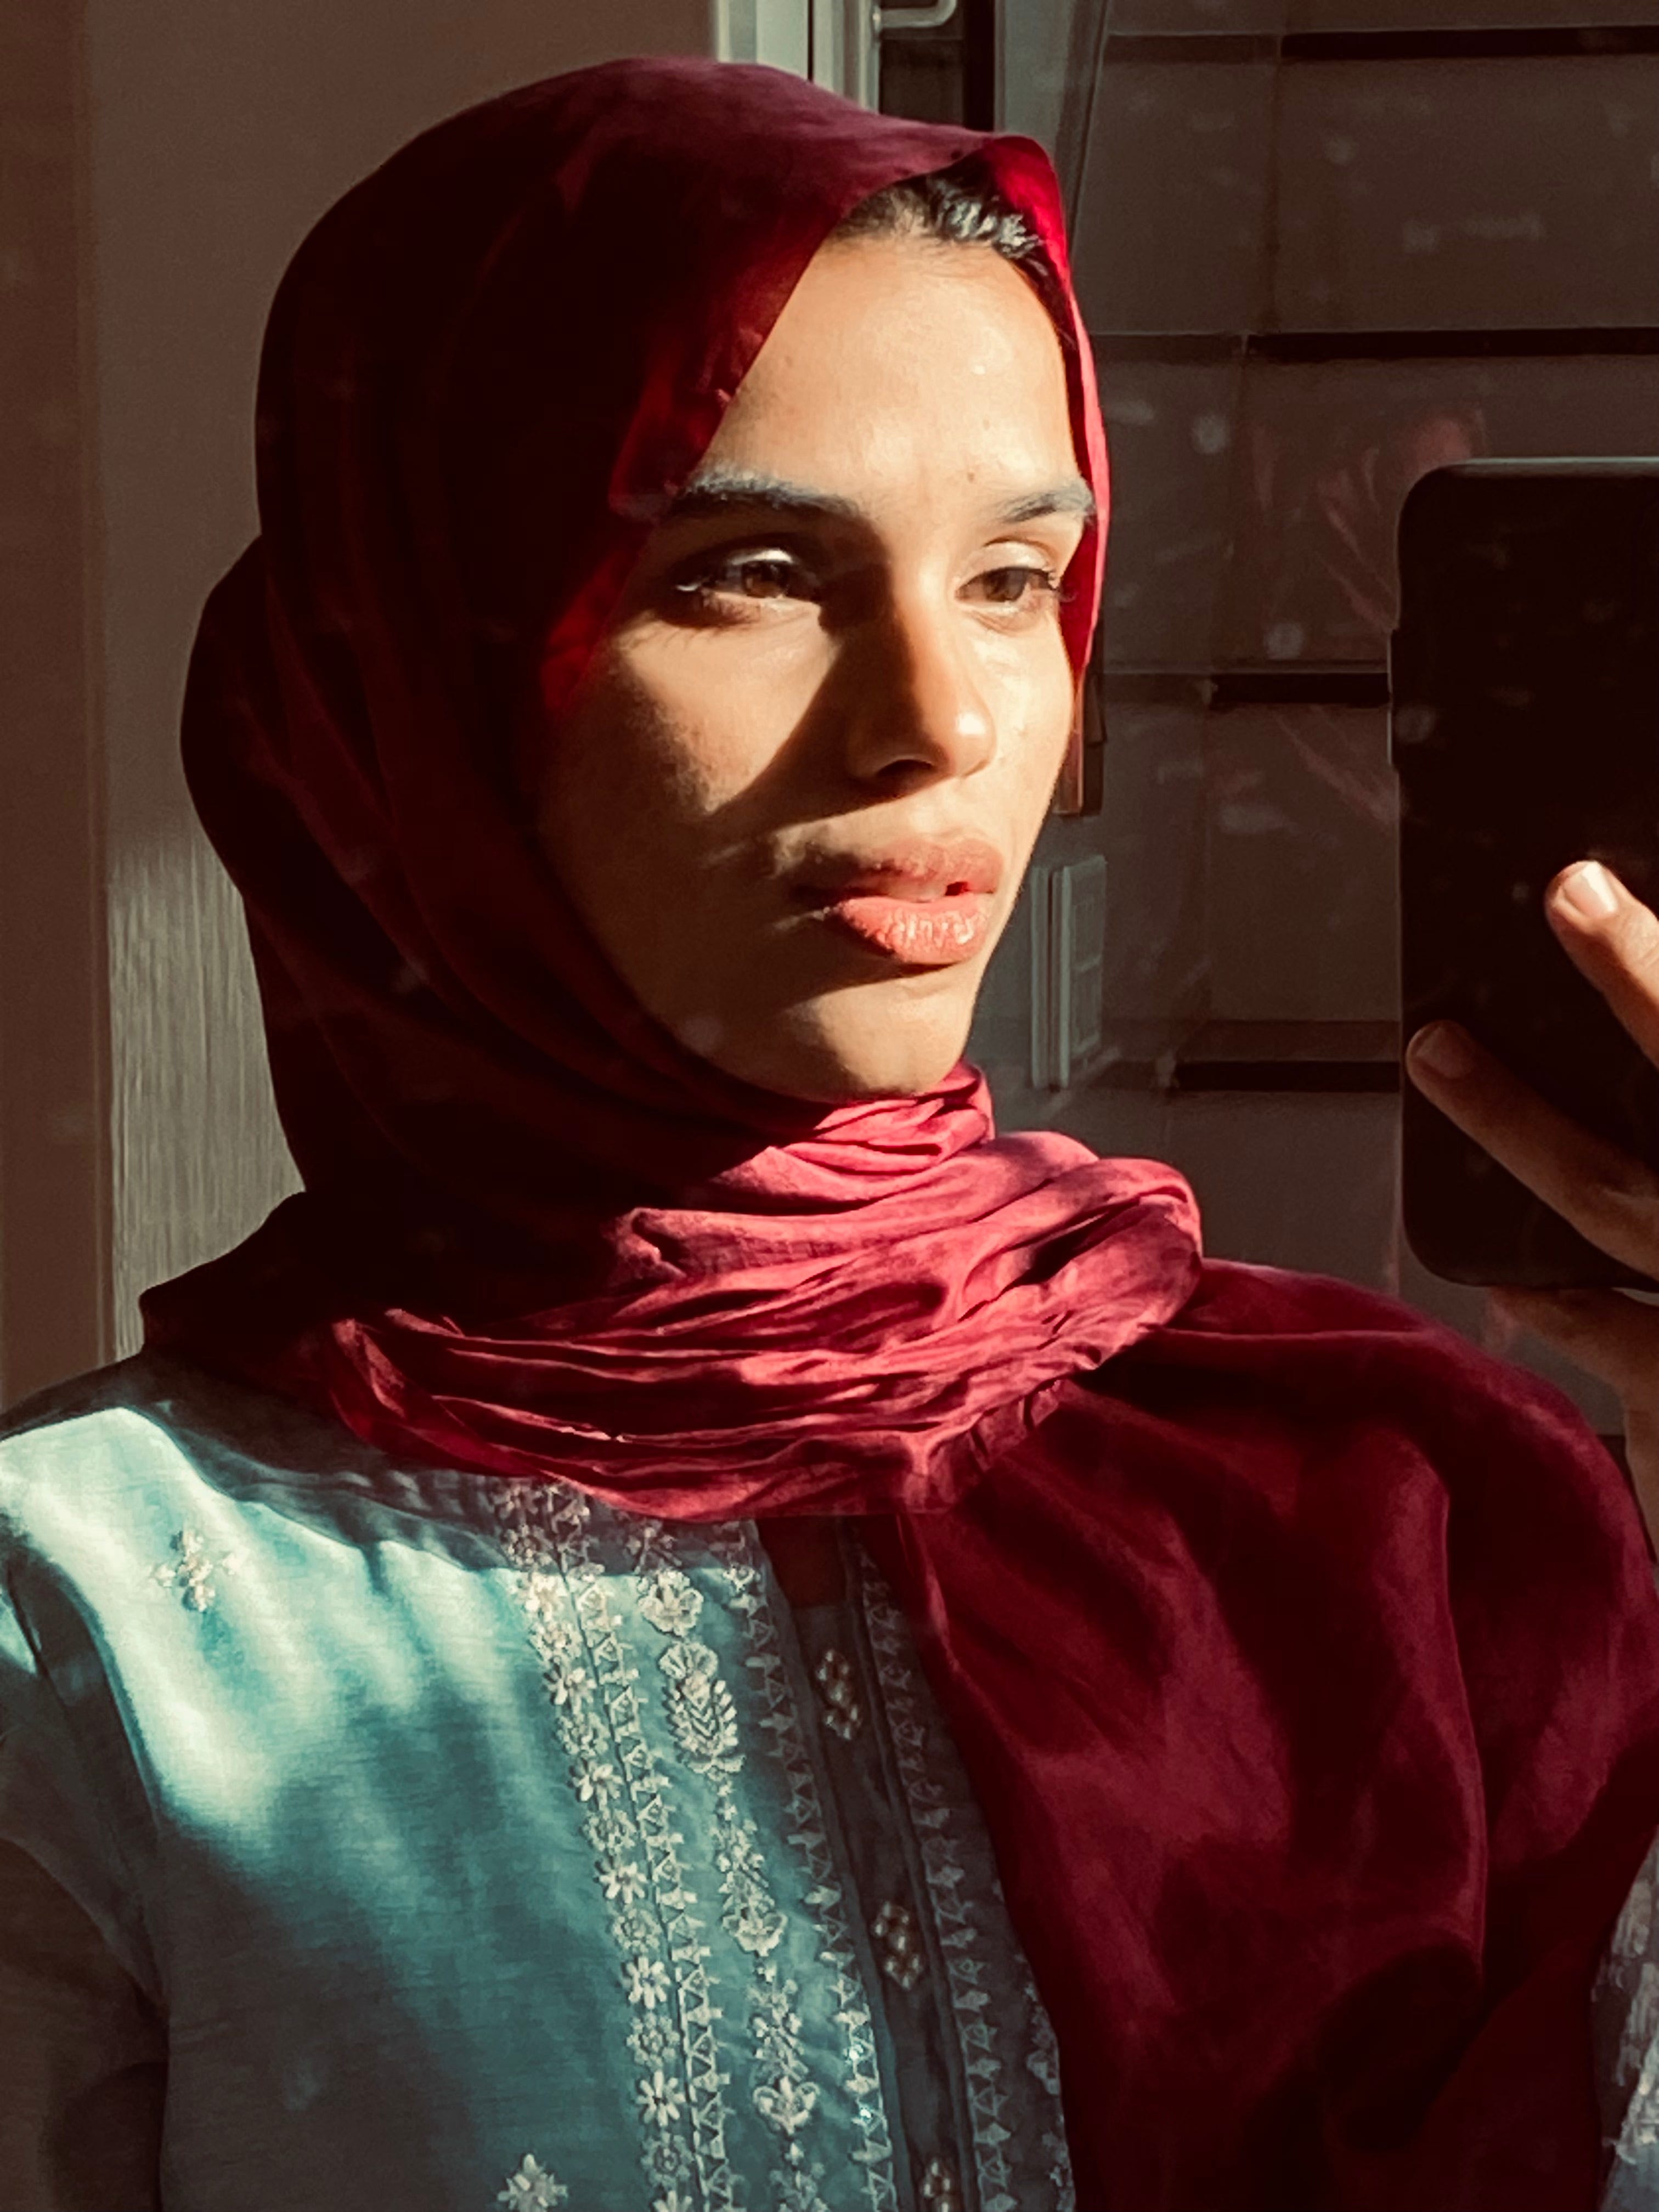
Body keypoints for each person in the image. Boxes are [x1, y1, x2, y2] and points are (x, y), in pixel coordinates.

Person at [4, 55, 1659, 2212]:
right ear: (406, 672)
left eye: (1014, 579)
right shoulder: (97, 1630)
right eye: (756, 571)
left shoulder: (1407, 1511)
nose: (941, 722)